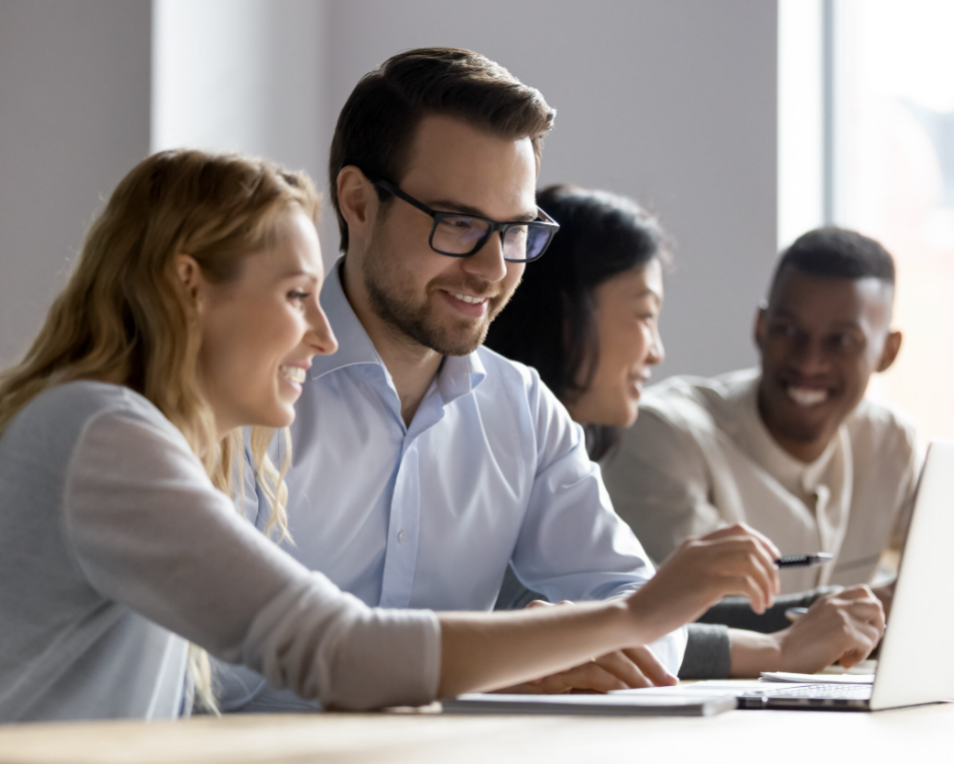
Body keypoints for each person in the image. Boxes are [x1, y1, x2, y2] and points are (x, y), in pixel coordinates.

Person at [0, 149, 786, 722]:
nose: (322, 334)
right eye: (297, 295)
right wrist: (636, 614)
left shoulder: (139, 436)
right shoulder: (100, 434)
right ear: (188, 285)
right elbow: (335, 650)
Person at [214, 48, 795, 710]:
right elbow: (208, 671)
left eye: (515, 230)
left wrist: (557, 647)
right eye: (458, 224)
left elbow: (639, 608)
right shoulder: (244, 391)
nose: (492, 269)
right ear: (358, 203)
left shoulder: (522, 409)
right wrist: (488, 663)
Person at [486, 185, 886, 681]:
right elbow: (598, 625)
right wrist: (779, 650)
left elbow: (631, 616)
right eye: (645, 315)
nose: (657, 351)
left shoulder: (562, 450)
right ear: (569, 315)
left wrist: (836, 616)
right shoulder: (492, 441)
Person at [600, 226, 919, 607]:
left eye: (841, 341)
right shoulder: (661, 434)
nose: (808, 360)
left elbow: (934, 570)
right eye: (788, 330)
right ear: (760, 327)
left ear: (888, 352)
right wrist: (881, 606)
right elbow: (693, 616)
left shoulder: (890, 441)